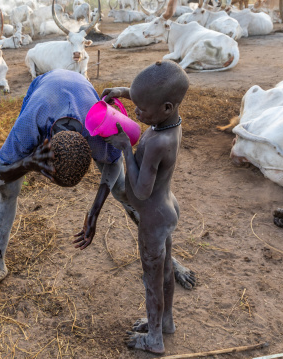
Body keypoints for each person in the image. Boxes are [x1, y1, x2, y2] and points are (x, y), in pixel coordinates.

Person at [0, 68, 195, 303]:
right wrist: (29, 163)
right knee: (8, 189)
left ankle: (168, 258)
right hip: (45, 88)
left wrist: (95, 211)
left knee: (123, 190)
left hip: (81, 91)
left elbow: (113, 165)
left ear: (89, 147)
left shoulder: (98, 127)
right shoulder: (31, 124)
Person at [102, 60, 189, 354]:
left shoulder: (156, 143)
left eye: (142, 110)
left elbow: (138, 192)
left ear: (166, 107)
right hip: (167, 207)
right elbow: (149, 99)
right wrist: (122, 92)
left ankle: (154, 340)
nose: (137, 113)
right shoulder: (171, 121)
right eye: (135, 105)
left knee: (152, 281)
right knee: (165, 273)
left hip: (152, 217)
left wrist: (126, 147)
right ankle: (165, 322)